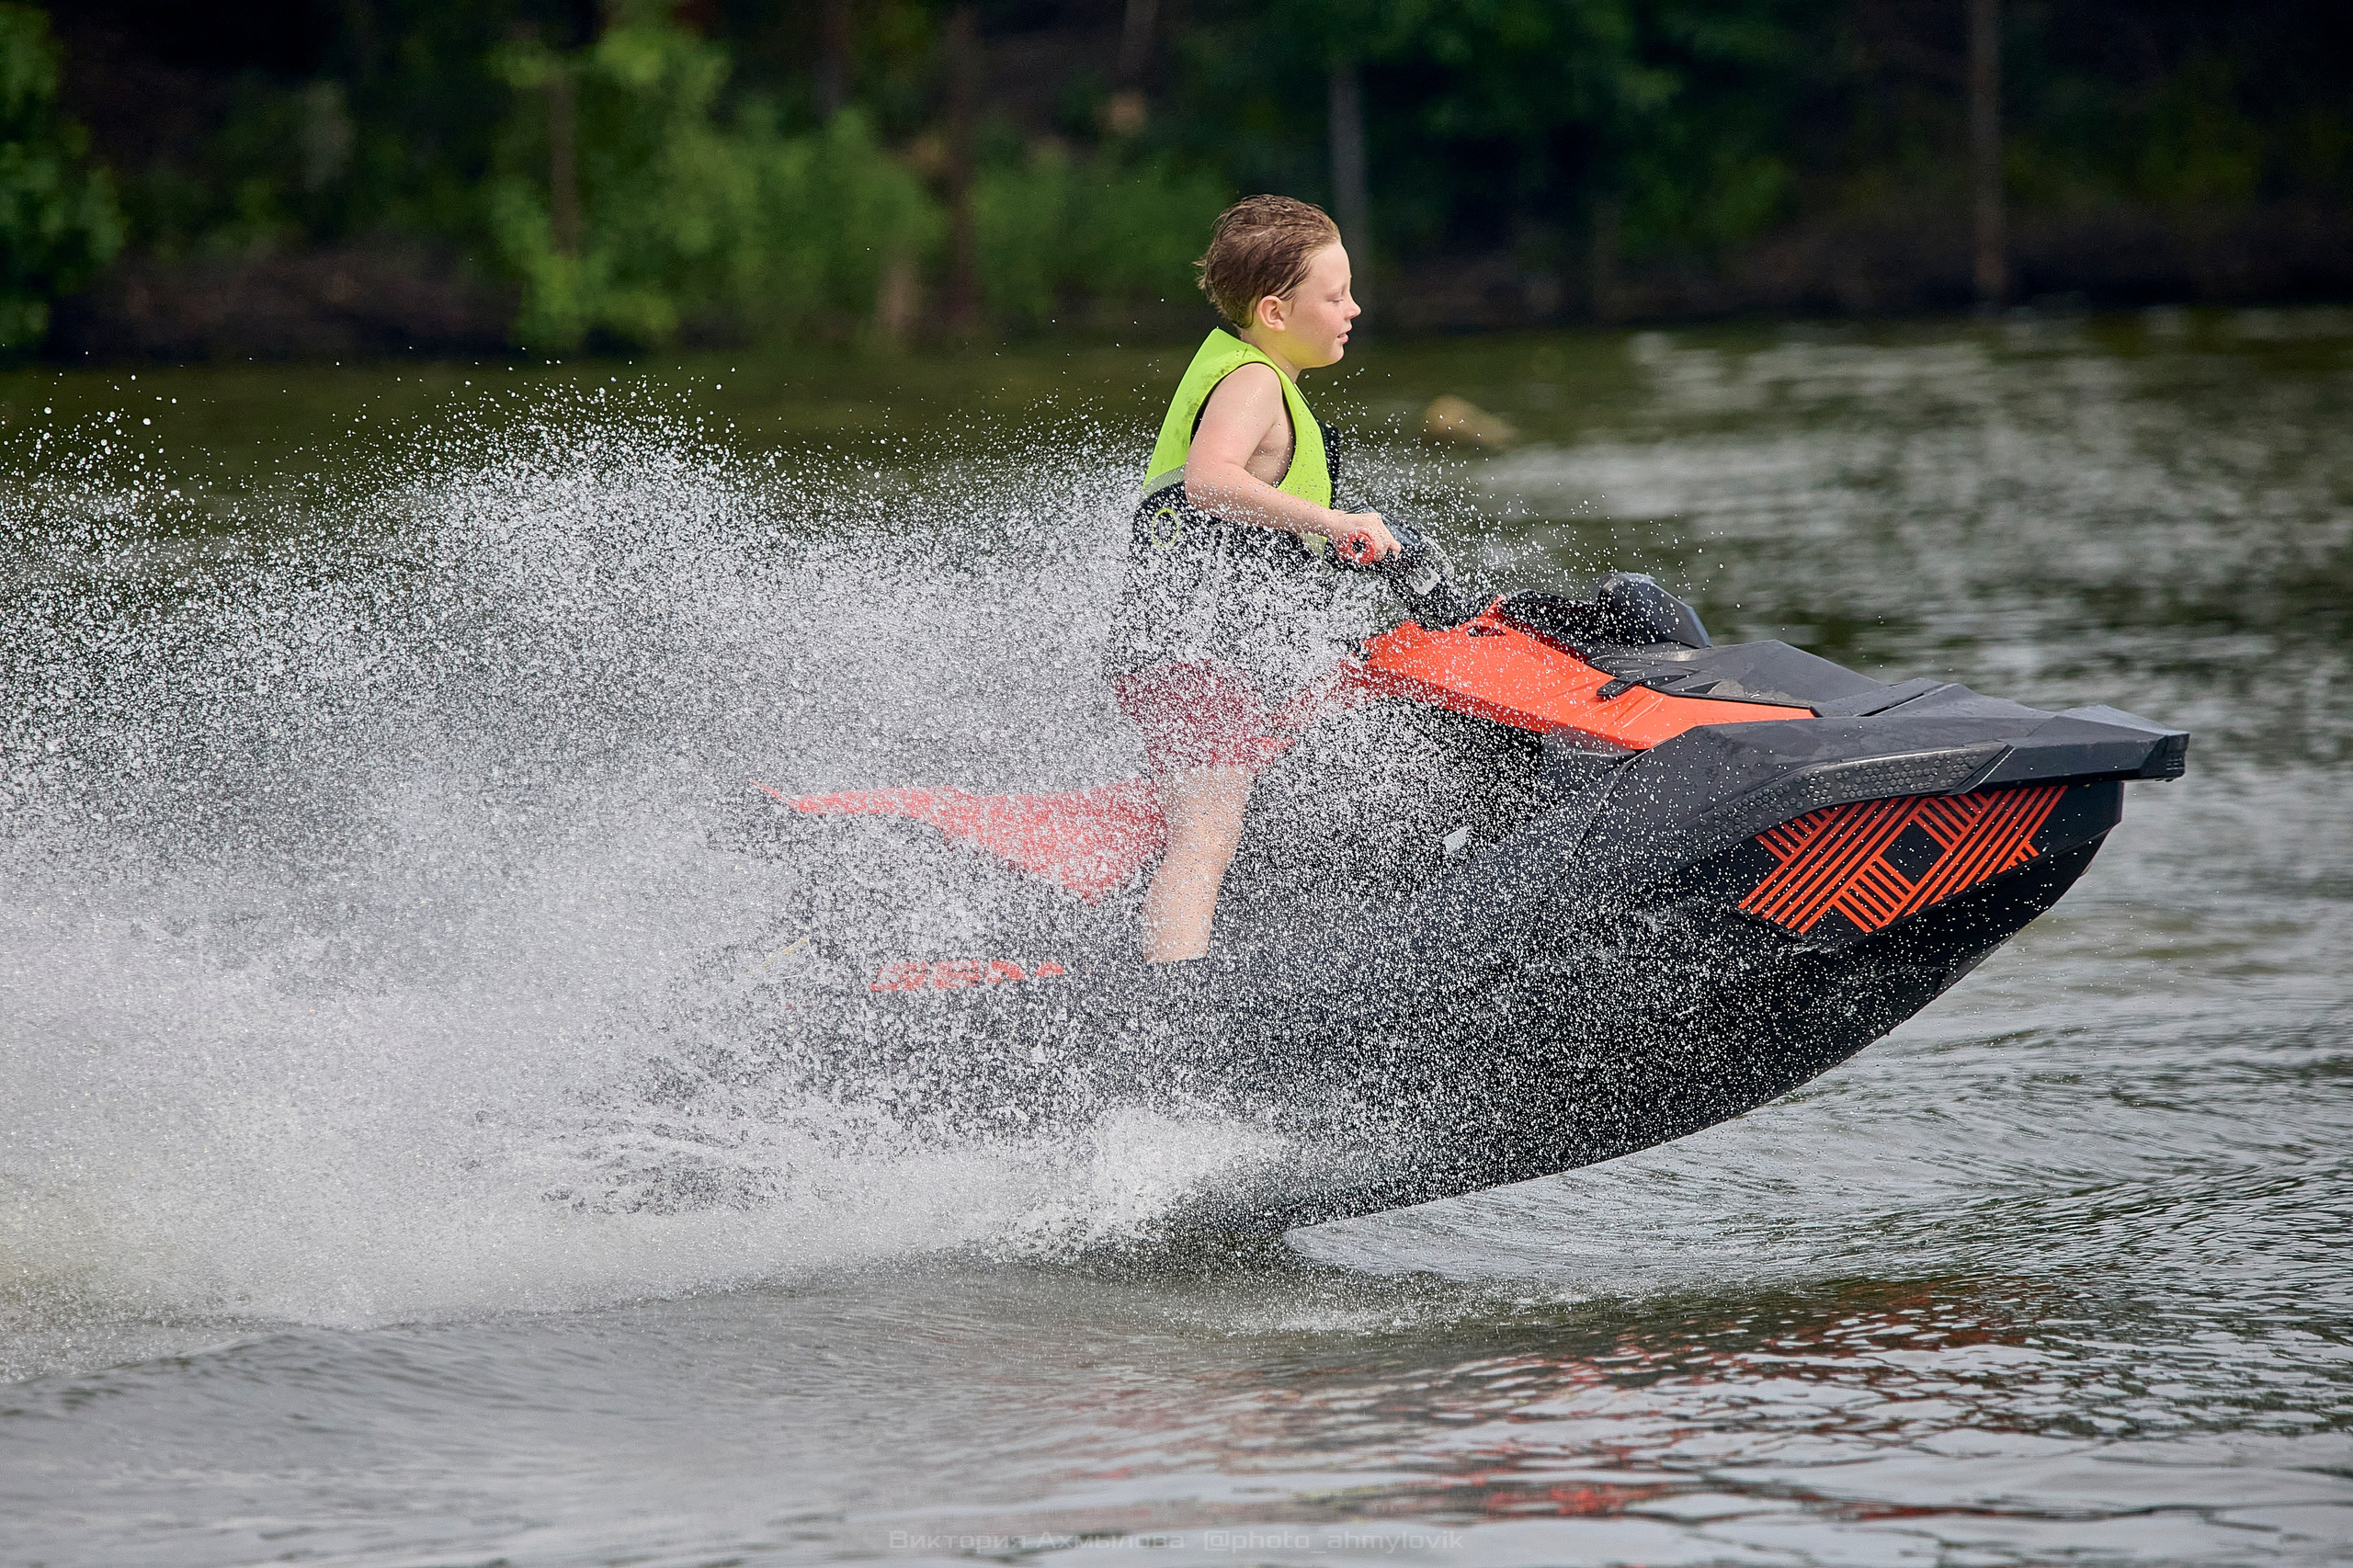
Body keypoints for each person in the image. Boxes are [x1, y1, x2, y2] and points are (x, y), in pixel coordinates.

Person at [1106, 195, 1400, 964]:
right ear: (1275, 311)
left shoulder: (1263, 383)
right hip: (1191, 651)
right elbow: (1207, 481)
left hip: (1187, 649)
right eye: (1334, 295)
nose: (1353, 308)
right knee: (1205, 835)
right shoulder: (1254, 383)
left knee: (1215, 821)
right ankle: (1175, 1008)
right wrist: (1340, 524)